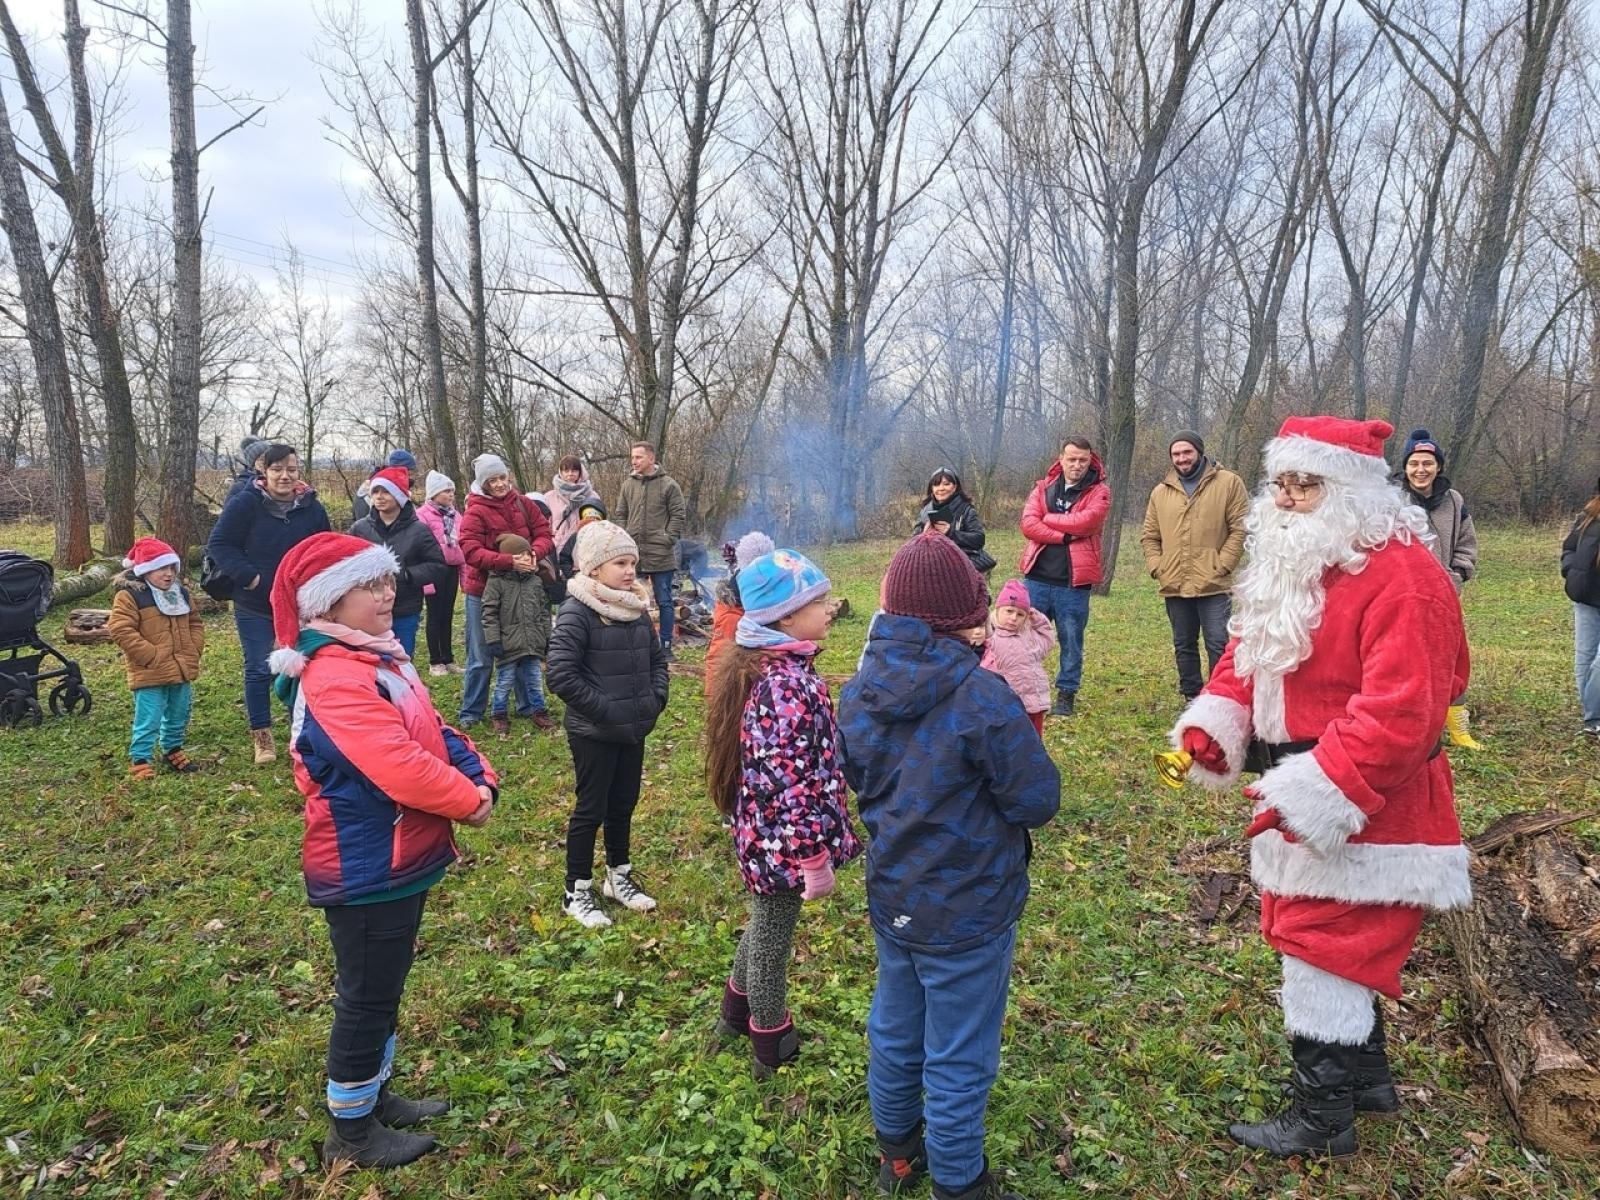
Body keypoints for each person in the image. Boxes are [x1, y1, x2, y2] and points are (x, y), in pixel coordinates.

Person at [1170, 415, 1471, 1159]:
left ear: (1355, 491)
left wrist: (1322, 789)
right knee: (1318, 934)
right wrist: (1217, 725)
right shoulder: (1289, 562)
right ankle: (1365, 1082)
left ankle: (1324, 1120)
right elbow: (1247, 653)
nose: (1292, 499)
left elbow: (1403, 715)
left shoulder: (1405, 578)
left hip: (1370, 801)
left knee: (1322, 944)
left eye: (1310, 485)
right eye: (1284, 485)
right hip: (1299, 782)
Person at [839, 533, 1061, 1200]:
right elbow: (1036, 798)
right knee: (959, 1054)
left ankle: (898, 1155)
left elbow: (858, 774)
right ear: (966, 616)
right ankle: (962, 1184)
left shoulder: (856, 691)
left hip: (896, 895)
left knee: (896, 1026)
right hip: (970, 909)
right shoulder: (982, 696)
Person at [265, 532, 496, 1169]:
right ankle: (352, 1132)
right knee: (366, 997)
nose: (387, 593)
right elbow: (394, 762)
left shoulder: (380, 659)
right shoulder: (337, 674)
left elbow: (433, 730)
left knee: (384, 989)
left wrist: (481, 777)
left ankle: (374, 1096)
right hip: (366, 862)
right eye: (371, 586)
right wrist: (466, 800)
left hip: (398, 854)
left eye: (388, 581)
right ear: (329, 604)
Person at [705, 548, 861, 1078]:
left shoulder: (778, 666)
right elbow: (791, 780)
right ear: (786, 616)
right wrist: (812, 853)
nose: (830, 608)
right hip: (783, 839)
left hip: (769, 833)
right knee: (774, 933)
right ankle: (770, 1043)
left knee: (765, 919)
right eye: (819, 602)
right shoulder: (786, 684)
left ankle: (731, 1015)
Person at [546, 520, 669, 929]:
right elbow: (561, 673)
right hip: (594, 732)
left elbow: (656, 663)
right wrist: (608, 710)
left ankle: (619, 876)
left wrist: (654, 700)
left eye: (633, 561)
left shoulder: (634, 608)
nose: (630, 570)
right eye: (620, 562)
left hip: (633, 729)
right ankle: (576, 889)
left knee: (623, 803)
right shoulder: (577, 610)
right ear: (594, 568)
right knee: (591, 808)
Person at [206, 442, 332, 765]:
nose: (284, 476)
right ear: (264, 470)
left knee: (300, 664)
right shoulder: (245, 503)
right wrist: (251, 579)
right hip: (256, 602)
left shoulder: (312, 507)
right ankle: (261, 735)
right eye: (277, 469)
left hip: (300, 603)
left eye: (291, 469)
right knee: (259, 667)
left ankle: (300, 730)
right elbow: (220, 544)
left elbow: (325, 549)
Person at [1140, 430, 1249, 702]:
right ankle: (1191, 696)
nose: (1182, 458)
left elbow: (1239, 528)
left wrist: (1223, 564)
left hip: (1213, 582)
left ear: (1199, 452)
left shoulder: (1229, 483)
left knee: (1218, 643)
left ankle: (1220, 696)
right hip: (1174, 582)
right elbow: (1150, 536)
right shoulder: (1160, 491)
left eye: (1187, 452)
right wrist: (1158, 566)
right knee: (1183, 644)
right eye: (1176, 454)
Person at [1395, 429, 1483, 749]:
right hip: (1400, 598)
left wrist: (1456, 576)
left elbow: (1466, 544)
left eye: (1428, 463)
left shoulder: (1454, 500)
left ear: (1439, 467)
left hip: (1444, 596)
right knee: (1404, 661)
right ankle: (1412, 723)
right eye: (1415, 462)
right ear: (1405, 467)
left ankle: (1457, 725)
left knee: (1452, 657)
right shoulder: (1389, 499)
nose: (1421, 469)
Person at [457, 454, 555, 729]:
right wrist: (508, 561)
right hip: (485, 590)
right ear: (483, 483)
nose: (500, 484)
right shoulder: (475, 511)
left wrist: (534, 553)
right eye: (493, 480)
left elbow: (544, 534)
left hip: (524, 587)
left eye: (502, 477)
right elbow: (469, 550)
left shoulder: (523, 503)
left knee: (526, 646)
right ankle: (471, 711)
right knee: (481, 654)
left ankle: (527, 706)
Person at [1019, 436, 1111, 718]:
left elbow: (1088, 522)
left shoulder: (1099, 491)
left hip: (1073, 583)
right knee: (1023, 637)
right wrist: (1066, 534)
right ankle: (1023, 690)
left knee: (1071, 640)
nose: (1077, 465)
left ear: (1090, 460)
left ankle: (1066, 694)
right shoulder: (1043, 487)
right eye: (1071, 459)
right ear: (1060, 459)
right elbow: (1028, 524)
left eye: (1082, 460)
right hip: (1037, 577)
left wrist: (1049, 519)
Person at [107, 537, 205, 780]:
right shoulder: (129, 596)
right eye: (162, 568)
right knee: (149, 716)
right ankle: (140, 758)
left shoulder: (180, 593)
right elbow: (121, 629)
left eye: (172, 568)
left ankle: (172, 749)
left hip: (181, 666)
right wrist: (151, 656)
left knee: (179, 712)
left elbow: (195, 622)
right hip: (150, 670)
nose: (168, 574)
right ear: (145, 570)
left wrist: (193, 649)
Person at [349, 467, 448, 660]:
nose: (380, 497)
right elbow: (344, 563)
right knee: (370, 662)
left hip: (404, 608)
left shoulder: (419, 530)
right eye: (376, 491)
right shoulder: (359, 528)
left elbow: (438, 566)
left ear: (399, 495)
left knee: (400, 661)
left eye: (386, 491)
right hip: (367, 609)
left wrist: (406, 575)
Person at [613, 441, 686, 660]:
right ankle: (632, 643)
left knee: (664, 600)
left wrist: (668, 538)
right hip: (632, 554)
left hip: (661, 554)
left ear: (651, 459)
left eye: (638, 457)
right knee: (629, 598)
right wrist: (624, 538)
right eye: (632, 457)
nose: (634, 461)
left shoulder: (669, 485)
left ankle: (665, 645)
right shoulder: (628, 485)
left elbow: (678, 515)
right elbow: (620, 513)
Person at [481, 533, 557, 734]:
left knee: (534, 680)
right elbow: (489, 613)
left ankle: (539, 711)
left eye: (527, 554)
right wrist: (493, 639)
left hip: (532, 642)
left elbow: (543, 611)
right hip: (508, 643)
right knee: (504, 682)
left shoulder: (535, 581)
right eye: (520, 555)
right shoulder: (496, 581)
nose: (525, 559)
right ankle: (499, 714)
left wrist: (547, 636)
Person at [979, 579, 1057, 736]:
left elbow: (1047, 636)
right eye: (1009, 611)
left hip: (1035, 703)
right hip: (1009, 705)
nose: (1014, 618)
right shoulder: (991, 636)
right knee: (1012, 740)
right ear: (998, 610)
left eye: (1020, 614)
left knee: (1035, 740)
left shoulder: (1030, 637)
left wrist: (1034, 615)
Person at [705, 531, 775, 695]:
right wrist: (717, 699)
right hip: (735, 697)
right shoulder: (732, 616)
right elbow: (718, 662)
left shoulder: (762, 594)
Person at [416, 471, 466, 677]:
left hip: (452, 569)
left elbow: (462, 543)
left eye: (452, 491)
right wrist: (425, 580)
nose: (450, 495)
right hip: (433, 570)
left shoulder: (455, 515)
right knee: (434, 615)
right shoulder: (422, 515)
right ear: (434, 493)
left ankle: (448, 658)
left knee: (447, 614)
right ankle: (435, 660)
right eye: (446, 491)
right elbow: (419, 548)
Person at [1561, 476, 1600, 735]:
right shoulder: (1589, 514)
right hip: (1586, 596)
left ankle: (1593, 716)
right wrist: (1571, 570)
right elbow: (1569, 547)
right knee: (1584, 659)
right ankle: (1592, 721)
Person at [912, 468, 991, 572]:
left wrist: (951, 533)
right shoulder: (925, 511)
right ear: (931, 488)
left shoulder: (966, 510)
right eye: (936, 485)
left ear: (955, 487)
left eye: (946, 484)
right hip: (931, 566)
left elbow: (979, 539)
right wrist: (924, 534)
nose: (941, 488)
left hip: (961, 567)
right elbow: (912, 542)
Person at [545, 454, 602, 549]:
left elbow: (598, 524)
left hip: (583, 546)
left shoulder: (592, 496)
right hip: (556, 548)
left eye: (574, 470)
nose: (570, 473)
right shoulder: (549, 497)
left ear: (580, 472)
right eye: (566, 470)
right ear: (561, 472)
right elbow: (545, 525)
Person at [350, 448, 418, 525]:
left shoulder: (392, 489)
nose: (412, 476)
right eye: (409, 471)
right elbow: (366, 529)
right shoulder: (368, 494)